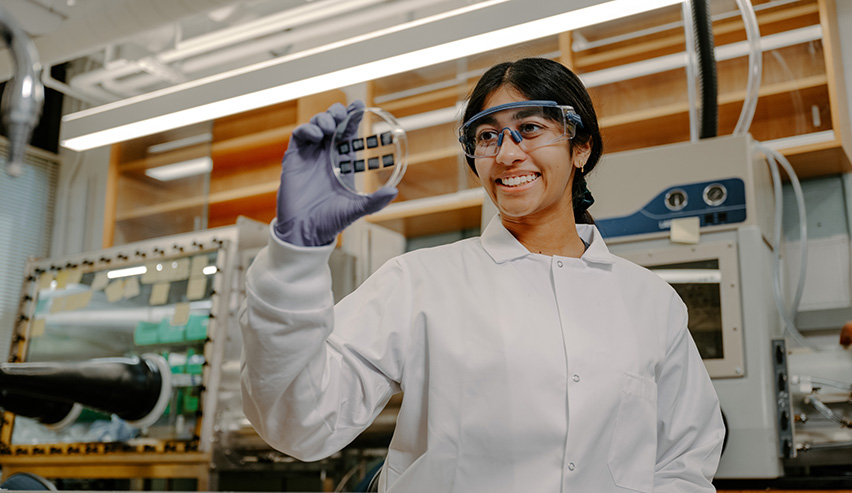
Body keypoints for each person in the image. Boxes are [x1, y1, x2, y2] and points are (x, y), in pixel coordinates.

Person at [239, 57, 725, 492]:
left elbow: (684, 460)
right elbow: (299, 422)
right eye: (487, 136)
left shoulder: (650, 302)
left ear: (581, 149)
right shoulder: (419, 281)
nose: (507, 154)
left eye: (530, 128)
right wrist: (295, 251)